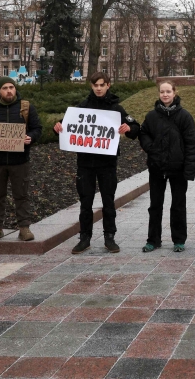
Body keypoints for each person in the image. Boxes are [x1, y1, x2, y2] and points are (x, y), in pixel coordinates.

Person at [54, 71, 140, 255]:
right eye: (96, 85)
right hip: (85, 163)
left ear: (108, 85)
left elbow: (136, 127)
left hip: (107, 163)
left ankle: (110, 237)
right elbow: (65, 126)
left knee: (108, 201)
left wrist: (128, 128)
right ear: (91, 86)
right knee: (86, 202)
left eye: (102, 85)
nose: (99, 88)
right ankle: (84, 238)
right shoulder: (82, 107)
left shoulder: (116, 109)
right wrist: (58, 127)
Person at [0, 76, 42, 243]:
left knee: (21, 195)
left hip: (19, 161)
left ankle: (24, 228)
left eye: (11, 87)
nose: (9, 91)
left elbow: (37, 128)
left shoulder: (26, 108)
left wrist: (31, 138)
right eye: (5, 88)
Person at [138, 80, 195, 253]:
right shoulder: (151, 116)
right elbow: (143, 133)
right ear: (159, 94)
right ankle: (153, 240)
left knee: (178, 205)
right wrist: (151, 148)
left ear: (174, 92)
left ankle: (179, 240)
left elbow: (192, 144)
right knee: (155, 205)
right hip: (157, 168)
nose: (165, 95)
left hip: (178, 169)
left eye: (168, 91)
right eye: (162, 92)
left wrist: (189, 169)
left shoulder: (184, 116)